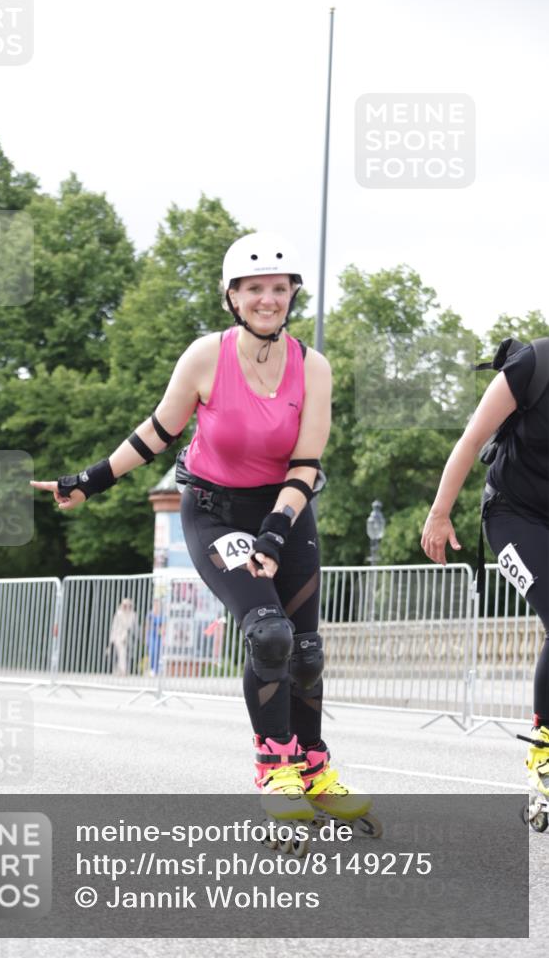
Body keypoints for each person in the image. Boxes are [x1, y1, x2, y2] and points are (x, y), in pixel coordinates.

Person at [31, 232, 375, 829]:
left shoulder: (312, 367)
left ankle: (314, 771)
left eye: (279, 288)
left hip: (285, 510)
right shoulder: (205, 357)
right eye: (254, 289)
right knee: (270, 634)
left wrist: (274, 532)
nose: (268, 299)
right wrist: (90, 480)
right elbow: (157, 433)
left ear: (292, 294)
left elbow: (306, 464)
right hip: (215, 511)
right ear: (232, 297)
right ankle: (276, 771)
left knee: (306, 651)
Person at [421, 338, 549, 813]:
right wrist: (439, 513)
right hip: (513, 515)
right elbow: (472, 439)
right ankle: (545, 749)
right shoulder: (535, 363)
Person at [109, 598, 137, 676]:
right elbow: (114, 626)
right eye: (125, 605)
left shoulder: (133, 615)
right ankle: (122, 670)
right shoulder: (118, 614)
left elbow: (133, 627)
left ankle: (121, 670)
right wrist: (112, 639)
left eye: (128, 605)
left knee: (124, 654)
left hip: (128, 637)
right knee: (122, 652)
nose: (126, 607)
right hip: (118, 636)